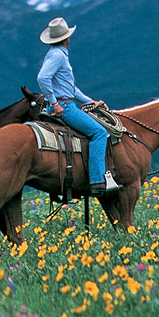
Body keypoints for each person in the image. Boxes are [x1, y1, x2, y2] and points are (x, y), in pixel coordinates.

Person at [37, 17, 120, 196]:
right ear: (66, 38)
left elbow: (71, 89)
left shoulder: (54, 54)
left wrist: (91, 102)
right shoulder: (59, 55)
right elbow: (42, 78)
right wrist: (54, 103)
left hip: (65, 102)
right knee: (99, 132)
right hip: (65, 107)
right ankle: (98, 181)